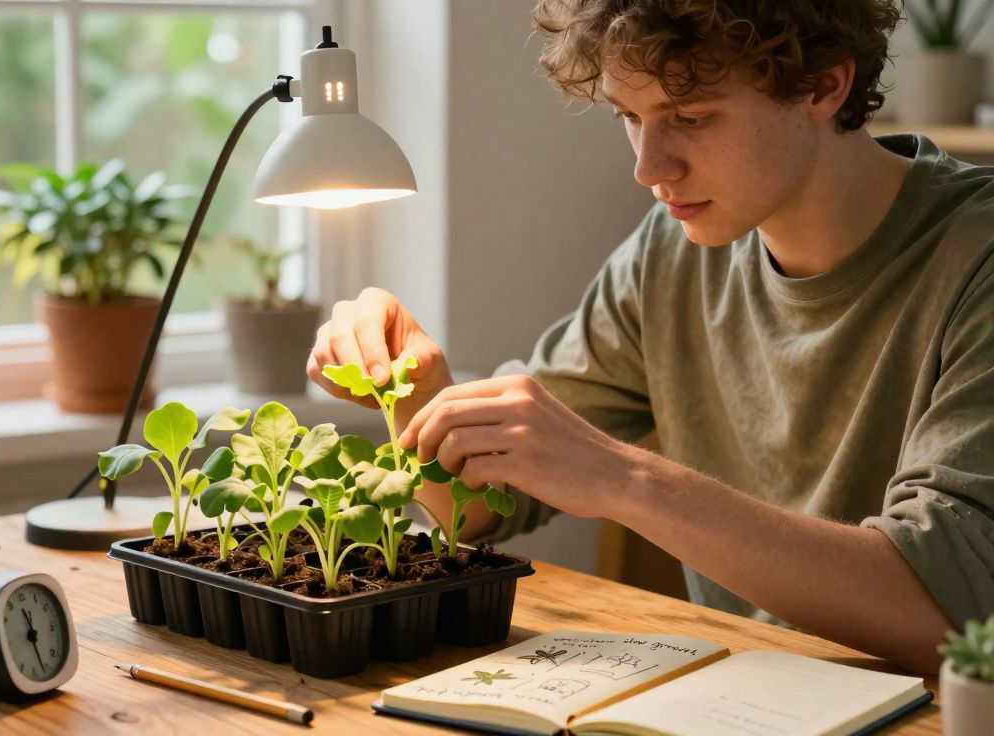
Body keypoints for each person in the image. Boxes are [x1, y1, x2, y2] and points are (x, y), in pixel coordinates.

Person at [307, 0, 994, 675]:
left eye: (690, 117)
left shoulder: (976, 259)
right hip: (742, 697)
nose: (649, 166)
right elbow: (480, 510)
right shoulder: (670, 253)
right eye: (630, 117)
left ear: (824, 85)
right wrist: (418, 390)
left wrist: (622, 477)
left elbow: (948, 611)